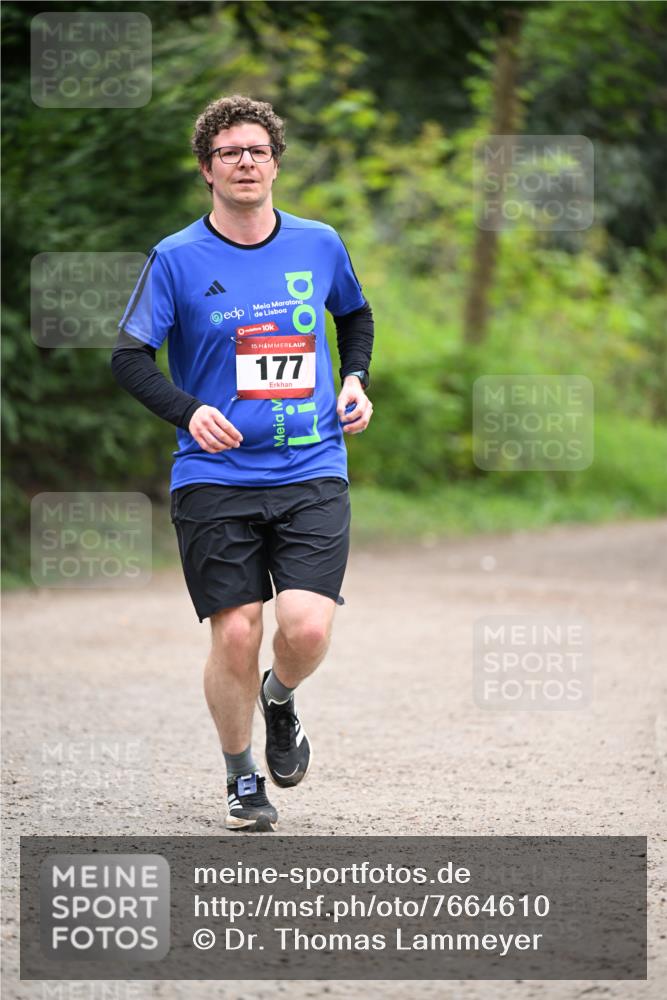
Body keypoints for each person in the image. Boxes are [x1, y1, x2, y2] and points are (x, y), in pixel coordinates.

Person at [112, 95, 374, 832]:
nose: (245, 162)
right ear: (207, 169)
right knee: (233, 631)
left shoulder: (319, 243)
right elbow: (129, 358)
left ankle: (280, 699)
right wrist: (188, 409)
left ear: (276, 162)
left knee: (307, 628)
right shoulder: (176, 258)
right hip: (214, 475)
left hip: (311, 464)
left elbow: (353, 315)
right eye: (229, 152)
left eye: (257, 150)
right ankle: (240, 777)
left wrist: (354, 379)